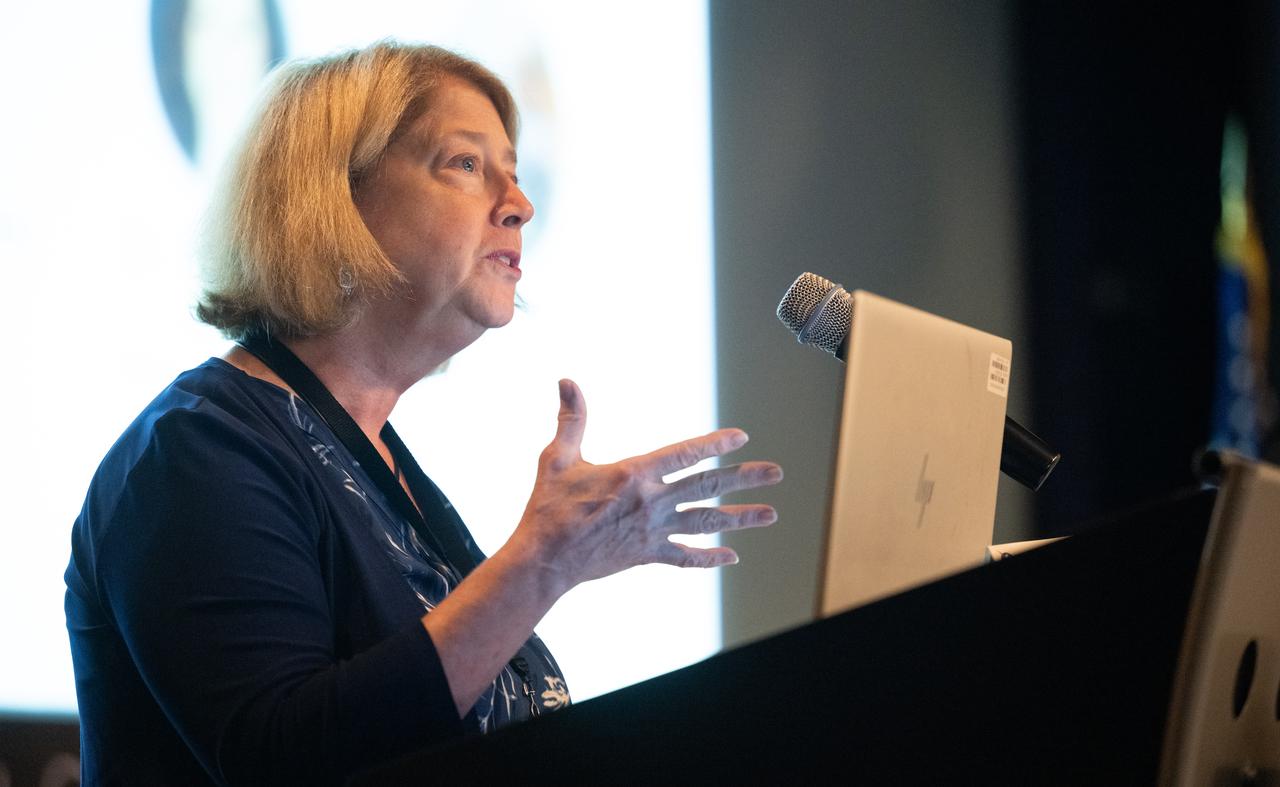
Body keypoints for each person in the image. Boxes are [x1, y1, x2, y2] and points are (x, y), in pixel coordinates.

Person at [64, 40, 782, 785]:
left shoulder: (374, 461)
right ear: (334, 199)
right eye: (466, 164)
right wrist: (541, 564)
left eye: (511, 167)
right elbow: (283, 761)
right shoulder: (198, 450)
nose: (520, 201)